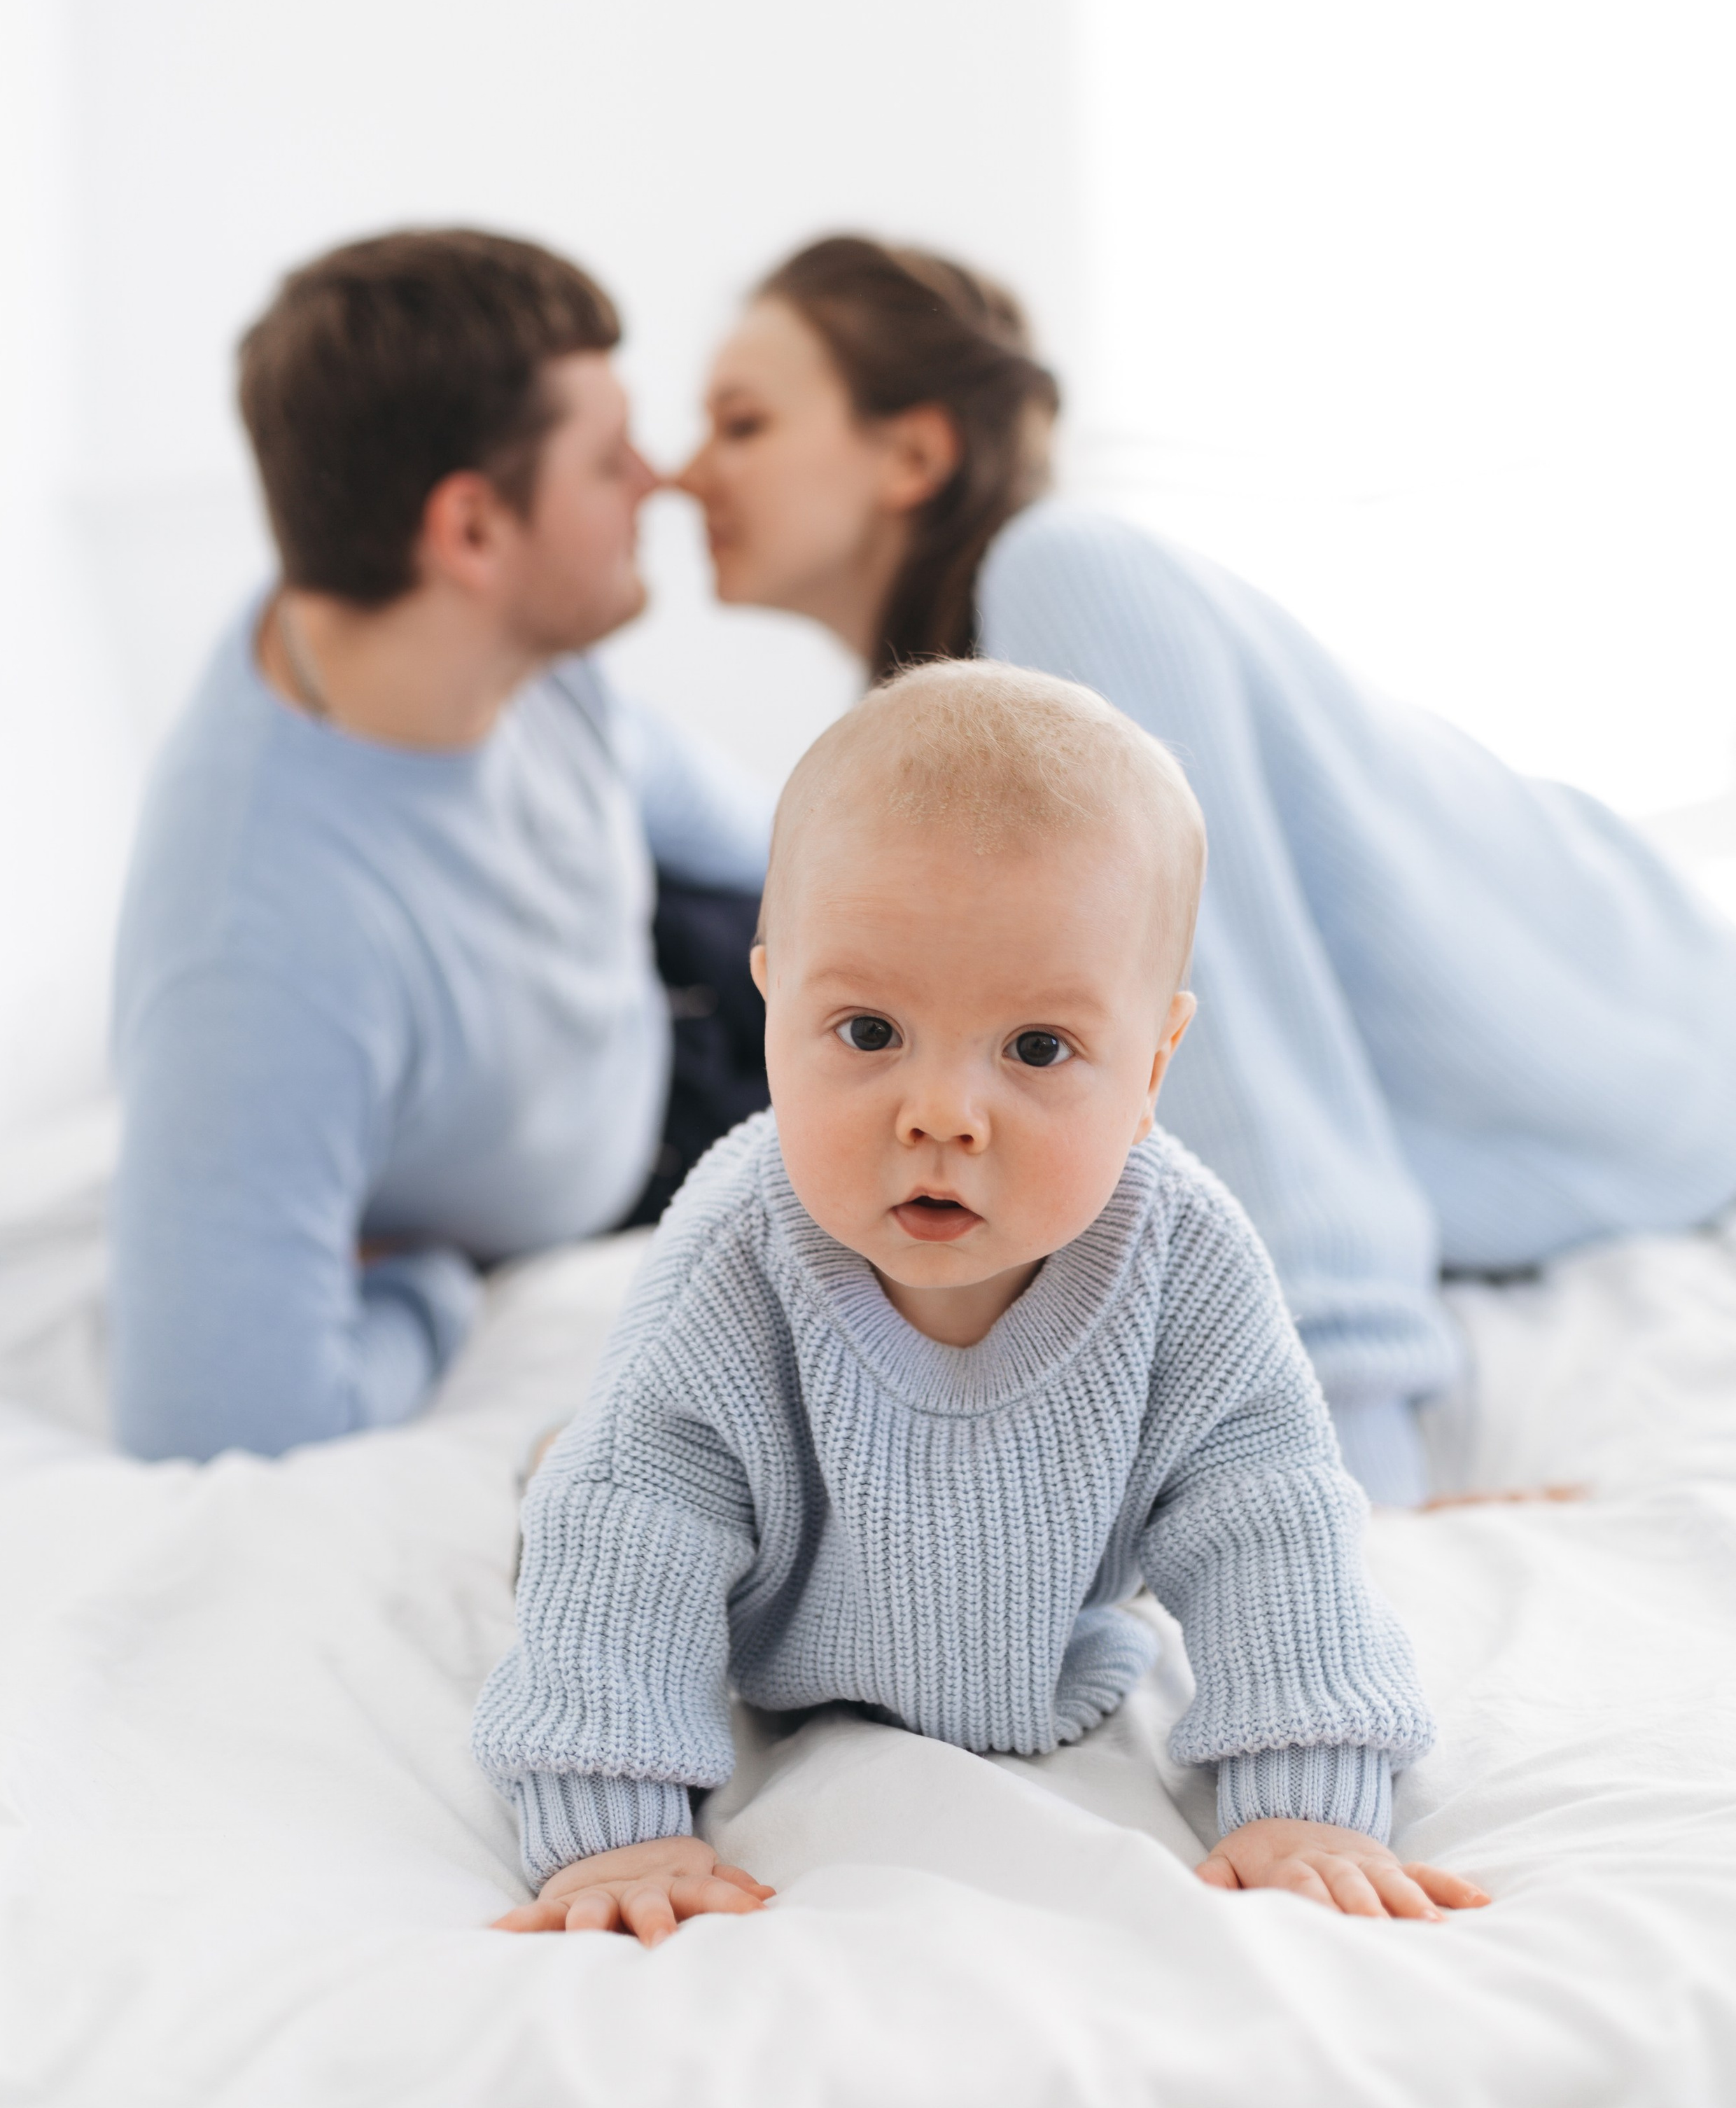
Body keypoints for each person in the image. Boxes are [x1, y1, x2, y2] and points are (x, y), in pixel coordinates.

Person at [675, 235, 1736, 1505]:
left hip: (1668, 1024)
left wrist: (1348, 1476)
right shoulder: (954, 740)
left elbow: (1244, 1050)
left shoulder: (1066, 573)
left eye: (741, 424)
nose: (685, 474)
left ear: (913, 453)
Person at [476, 662, 1490, 1943]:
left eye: (1037, 1050)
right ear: (773, 999)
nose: (943, 1113)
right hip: (776, 1620)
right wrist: (616, 1824)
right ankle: (558, 1451)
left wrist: (1306, 1796)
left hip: (1043, 1645)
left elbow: (1267, 1519)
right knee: (600, 1490)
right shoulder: (734, 1261)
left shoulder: (1182, 1261)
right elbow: (635, 1541)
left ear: (1154, 1066)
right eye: (866, 1032)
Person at [109, 229, 771, 1460]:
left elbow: (772, 849)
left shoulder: (518, 661)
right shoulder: (260, 959)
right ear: (470, 531)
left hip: (686, 990)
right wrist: (434, 1283)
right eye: (606, 459)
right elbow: (215, 1426)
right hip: (634, 1164)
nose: (661, 480)